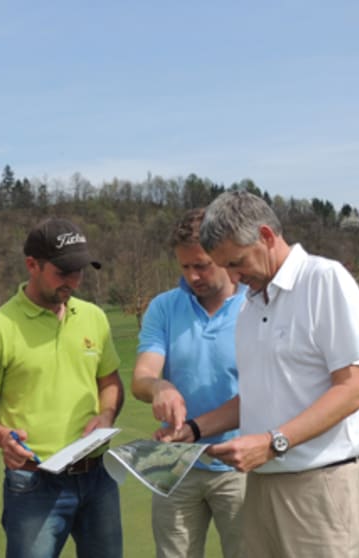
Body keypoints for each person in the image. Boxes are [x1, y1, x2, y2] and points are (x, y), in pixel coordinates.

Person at [189, 190, 359, 557]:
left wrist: (274, 442)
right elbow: (255, 396)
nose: (235, 278)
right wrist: (193, 429)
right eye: (226, 267)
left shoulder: (324, 280)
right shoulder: (249, 306)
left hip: (318, 486)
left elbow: (352, 388)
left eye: (237, 262)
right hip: (260, 486)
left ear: (266, 237)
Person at [0, 217, 124, 558]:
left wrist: (107, 413)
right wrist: (2, 436)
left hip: (97, 476)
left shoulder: (94, 317)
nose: (73, 282)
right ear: (32, 265)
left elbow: (109, 382)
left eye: (79, 271)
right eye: (63, 272)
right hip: (34, 482)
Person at [131, 208, 247, 558]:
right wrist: (159, 387)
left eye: (202, 265)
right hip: (177, 463)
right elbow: (142, 377)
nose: (193, 276)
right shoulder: (164, 307)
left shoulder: (255, 306)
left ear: (224, 256)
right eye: (184, 267)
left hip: (239, 462)